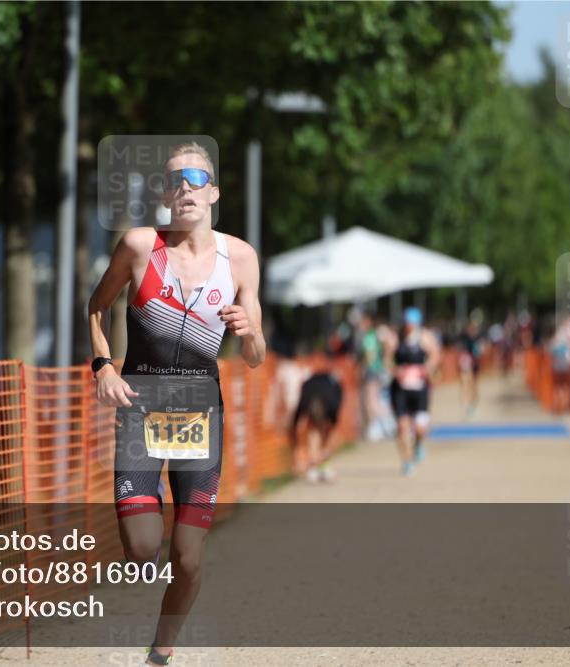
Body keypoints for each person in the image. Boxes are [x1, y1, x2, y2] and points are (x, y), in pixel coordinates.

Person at [88, 142, 265, 666]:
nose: (184, 187)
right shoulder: (140, 246)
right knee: (143, 551)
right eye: (173, 181)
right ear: (165, 195)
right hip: (142, 407)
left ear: (214, 191)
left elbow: (255, 356)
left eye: (195, 178)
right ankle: (150, 513)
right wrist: (102, 366)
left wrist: (250, 331)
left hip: (200, 411)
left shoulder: (241, 258)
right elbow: (95, 309)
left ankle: (159, 654)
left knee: (188, 559)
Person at [386, 307, 440, 475]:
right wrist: (396, 370)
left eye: (412, 323)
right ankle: (407, 460)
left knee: (420, 428)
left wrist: (427, 368)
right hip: (400, 389)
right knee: (402, 426)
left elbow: (436, 355)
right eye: (407, 323)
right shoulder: (395, 338)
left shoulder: (425, 337)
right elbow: (387, 359)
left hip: (420, 388)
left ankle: (418, 445)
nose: (409, 326)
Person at [290, 369, 342, 483]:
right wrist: (295, 442)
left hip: (330, 389)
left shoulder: (332, 404)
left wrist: (326, 447)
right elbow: (297, 415)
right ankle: (315, 464)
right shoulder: (306, 398)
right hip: (314, 389)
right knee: (314, 432)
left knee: (323, 434)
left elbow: (334, 425)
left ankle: (321, 463)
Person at [357, 313, 391, 440]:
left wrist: (364, 368)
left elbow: (370, 356)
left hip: (372, 372)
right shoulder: (374, 335)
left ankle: (382, 425)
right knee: (377, 399)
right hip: (379, 370)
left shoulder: (369, 337)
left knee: (371, 400)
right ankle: (383, 425)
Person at [457, 320, 484, 417]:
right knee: (465, 383)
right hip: (467, 363)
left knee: (473, 385)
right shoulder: (464, 338)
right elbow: (460, 351)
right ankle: (465, 405)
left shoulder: (477, 339)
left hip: (475, 364)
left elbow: (480, 351)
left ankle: (472, 404)